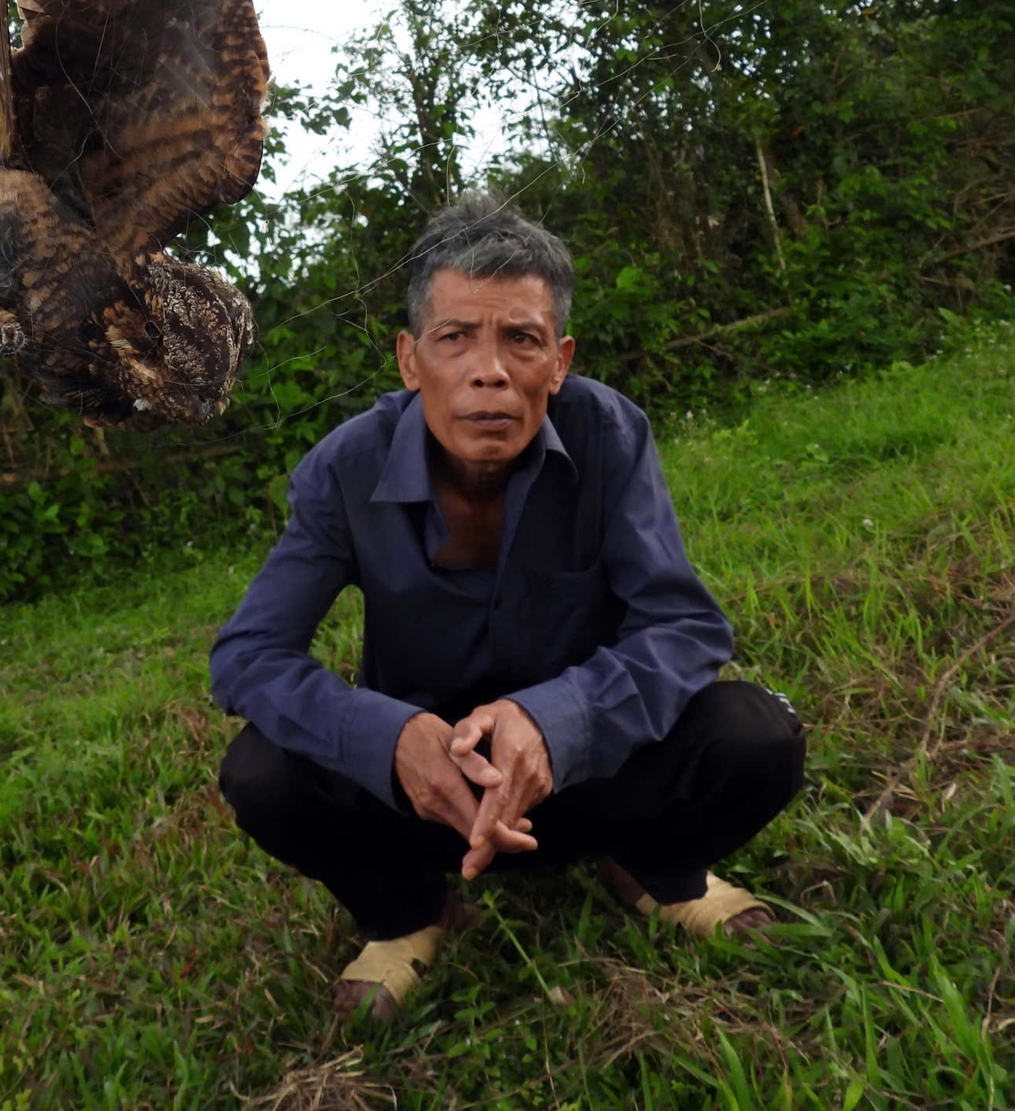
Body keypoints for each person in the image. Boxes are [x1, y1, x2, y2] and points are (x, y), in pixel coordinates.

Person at [209, 193, 806, 1020]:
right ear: (411, 361)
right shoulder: (343, 470)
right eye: (456, 338)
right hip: (423, 795)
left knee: (756, 734)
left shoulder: (607, 434)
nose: (489, 369)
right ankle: (406, 913)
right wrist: (390, 739)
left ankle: (654, 869)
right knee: (261, 773)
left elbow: (685, 626)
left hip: (584, 771)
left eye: (520, 339)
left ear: (558, 362)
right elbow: (247, 656)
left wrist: (556, 721)